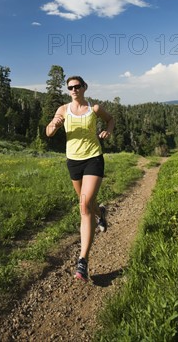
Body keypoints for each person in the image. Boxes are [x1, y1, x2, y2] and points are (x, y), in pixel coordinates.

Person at [46, 75, 114, 283]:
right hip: (73, 162)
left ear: (84, 87)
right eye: (70, 87)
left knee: (83, 206)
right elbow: (48, 132)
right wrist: (55, 125)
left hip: (93, 159)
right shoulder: (63, 110)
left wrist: (107, 131)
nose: (73, 90)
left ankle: (82, 261)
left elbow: (110, 120)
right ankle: (101, 212)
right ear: (68, 90)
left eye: (77, 86)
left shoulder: (94, 109)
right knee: (88, 204)